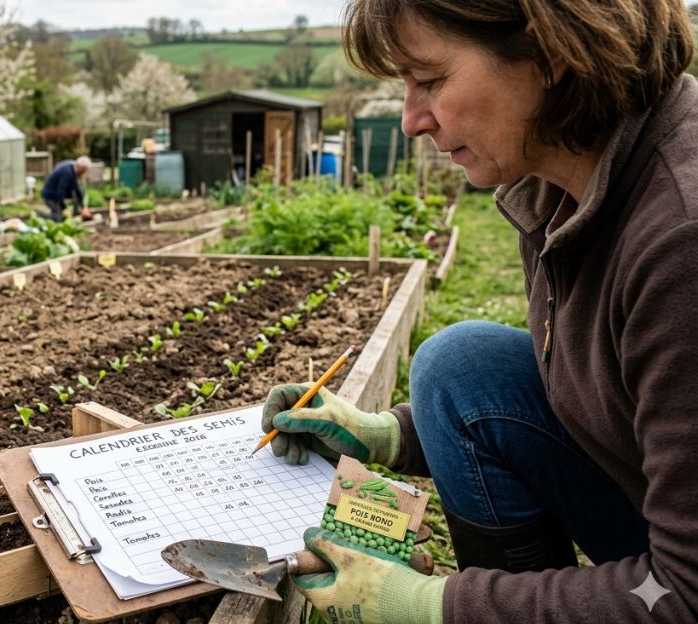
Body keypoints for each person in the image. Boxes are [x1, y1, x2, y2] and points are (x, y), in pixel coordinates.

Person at [260, 1, 698, 622]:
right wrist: (389, 436)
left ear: (550, 50)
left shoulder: (682, 239)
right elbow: (597, 387)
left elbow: (689, 593)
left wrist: (438, 607)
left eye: (431, 80)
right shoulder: (562, 181)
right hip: (656, 509)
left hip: (681, 585)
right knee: (460, 370)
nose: (411, 120)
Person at [39, 156, 91, 222]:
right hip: (50, 195)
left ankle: (76, 213)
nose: (83, 173)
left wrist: (83, 207)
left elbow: (77, 189)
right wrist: (64, 207)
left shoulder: (72, 168)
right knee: (57, 218)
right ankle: (39, 215)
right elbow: (60, 191)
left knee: (81, 191)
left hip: (56, 193)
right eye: (83, 171)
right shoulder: (67, 172)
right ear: (81, 167)